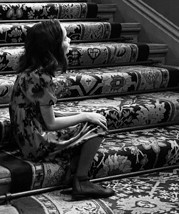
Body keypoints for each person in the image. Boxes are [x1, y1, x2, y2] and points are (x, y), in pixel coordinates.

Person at [9, 19, 114, 200]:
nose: (70, 41)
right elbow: (50, 123)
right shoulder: (42, 78)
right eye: (65, 38)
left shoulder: (29, 72)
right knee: (97, 127)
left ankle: (73, 172)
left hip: (27, 137)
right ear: (53, 47)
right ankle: (81, 181)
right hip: (37, 143)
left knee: (87, 120)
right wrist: (85, 115)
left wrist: (80, 116)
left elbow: (39, 113)